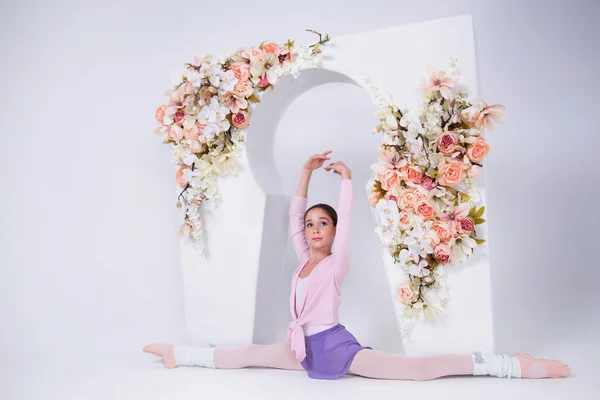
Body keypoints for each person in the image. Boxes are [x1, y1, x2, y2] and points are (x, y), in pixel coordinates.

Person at [144, 150, 571, 381]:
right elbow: (293, 217)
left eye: (322, 224)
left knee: (416, 372)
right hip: (301, 350)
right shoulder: (302, 263)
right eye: (311, 224)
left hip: (334, 348)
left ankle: (510, 365)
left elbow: (346, 220)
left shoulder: (335, 263)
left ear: (331, 232)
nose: (314, 229)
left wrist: (346, 179)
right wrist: (305, 175)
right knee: (245, 355)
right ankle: (176, 355)